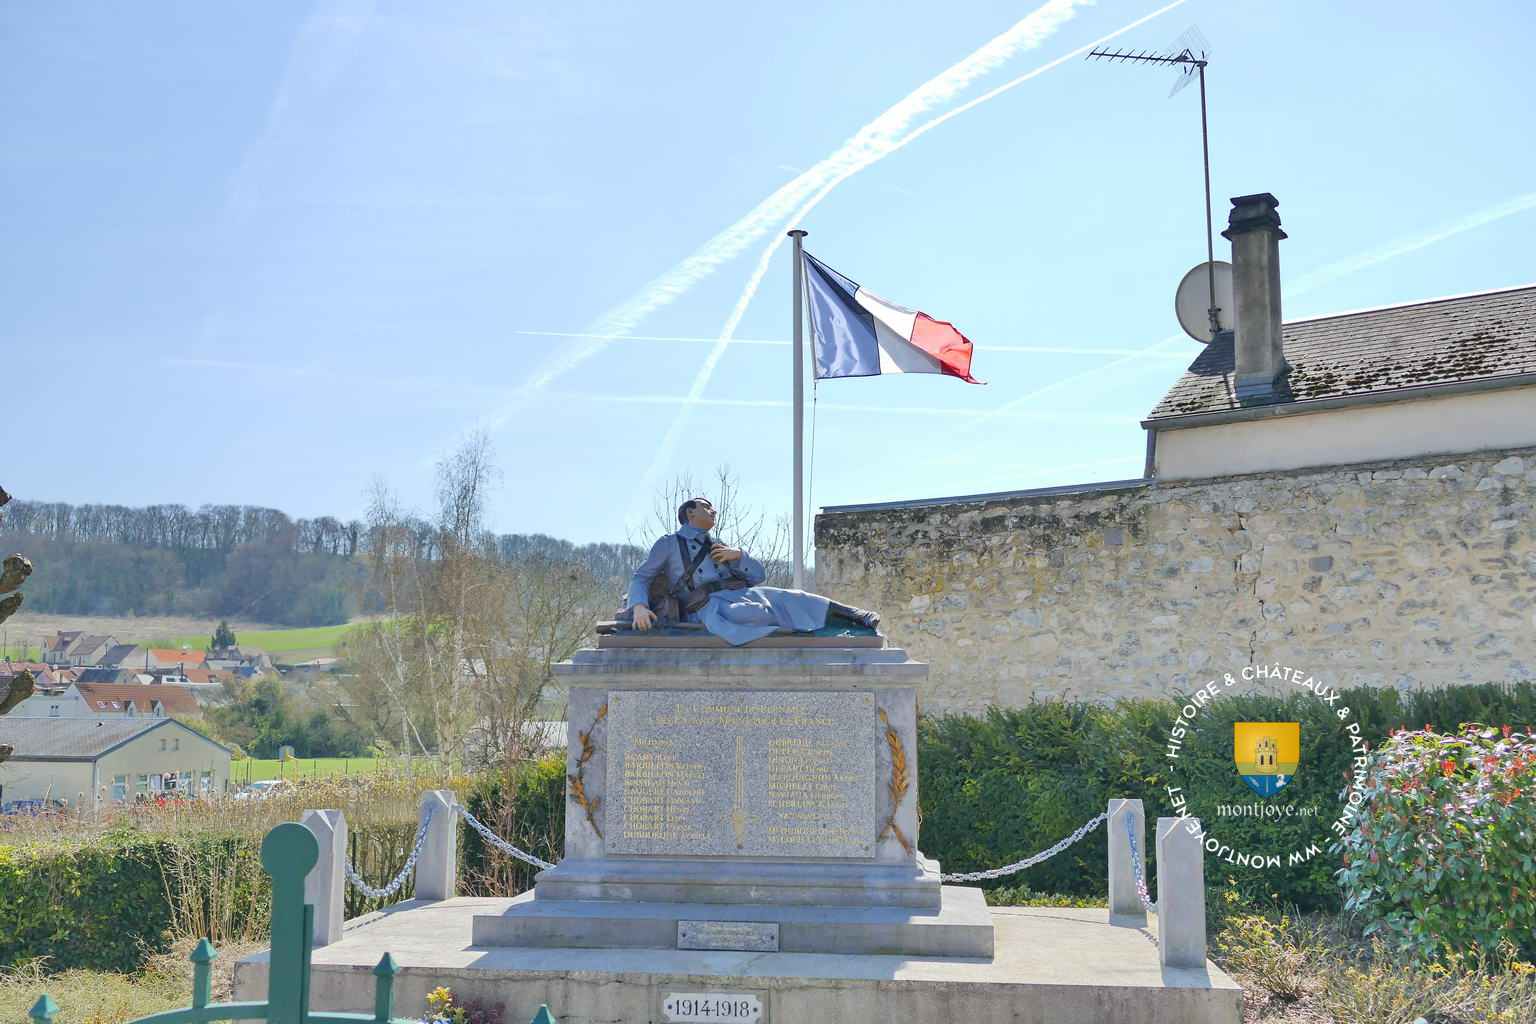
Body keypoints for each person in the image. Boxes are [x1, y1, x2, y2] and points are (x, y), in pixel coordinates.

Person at [624, 497, 880, 646]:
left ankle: (855, 617)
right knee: (757, 613)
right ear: (691, 513)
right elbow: (641, 577)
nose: (714, 511)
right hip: (705, 608)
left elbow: (758, 577)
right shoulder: (668, 544)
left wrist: (739, 556)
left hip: (739, 594)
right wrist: (638, 607)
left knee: (794, 597)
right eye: (707, 508)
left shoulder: (717, 545)